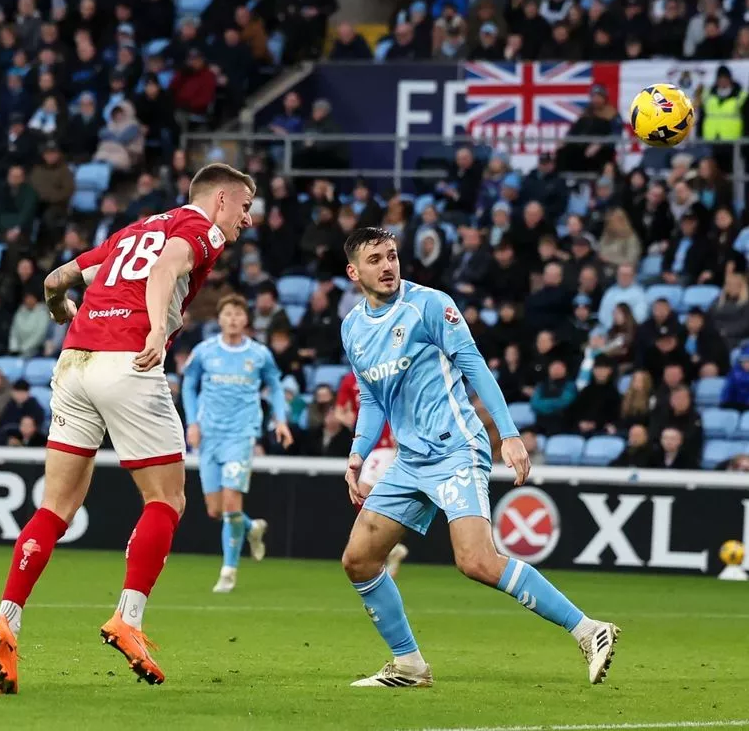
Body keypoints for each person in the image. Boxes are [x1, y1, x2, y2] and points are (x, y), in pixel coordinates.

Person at [0, 163, 257, 694]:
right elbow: (163, 273)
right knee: (167, 500)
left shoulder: (134, 229)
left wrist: (59, 307)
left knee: (55, 506)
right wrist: (156, 329)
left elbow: (55, 279)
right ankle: (127, 618)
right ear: (221, 198)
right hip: (128, 361)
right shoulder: (203, 230)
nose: (247, 219)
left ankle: (6, 621)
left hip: (74, 363)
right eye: (245, 206)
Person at [338, 227, 619, 688]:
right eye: (375, 260)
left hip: (456, 448)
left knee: (477, 561)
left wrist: (507, 434)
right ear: (354, 271)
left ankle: (590, 630)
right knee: (359, 559)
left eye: (392, 256)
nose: (387, 266)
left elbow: (475, 367)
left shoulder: (429, 305)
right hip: (410, 460)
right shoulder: (353, 328)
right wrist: (356, 454)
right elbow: (372, 399)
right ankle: (409, 664)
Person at [181, 293, 294, 594]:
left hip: (241, 435)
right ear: (219, 319)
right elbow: (189, 386)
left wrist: (280, 420)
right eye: (227, 314)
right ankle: (252, 527)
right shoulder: (205, 351)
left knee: (231, 504)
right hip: (209, 435)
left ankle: (228, 571)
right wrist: (192, 422)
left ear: (246, 319)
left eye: (238, 314)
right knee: (215, 510)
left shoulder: (259, 354)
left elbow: (275, 386)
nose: (232, 319)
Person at [334, 368, 409, 576]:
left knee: (364, 491)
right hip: (366, 446)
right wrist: (355, 423)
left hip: (386, 444)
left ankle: (384, 544)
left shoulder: (385, 371)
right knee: (370, 497)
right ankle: (388, 547)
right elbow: (340, 410)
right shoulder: (350, 379)